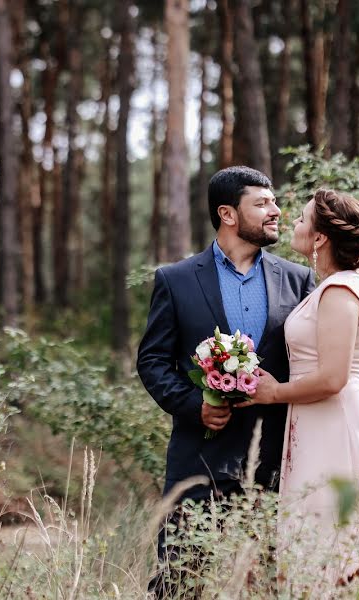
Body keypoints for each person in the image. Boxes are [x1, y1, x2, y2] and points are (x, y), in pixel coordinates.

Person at [137, 166, 315, 597]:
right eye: (262, 203)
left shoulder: (299, 279)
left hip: (276, 457)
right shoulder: (176, 279)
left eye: (273, 202)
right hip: (199, 457)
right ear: (228, 214)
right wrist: (195, 403)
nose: (275, 211)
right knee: (179, 580)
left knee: (273, 581)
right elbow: (153, 360)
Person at [236, 188, 359, 593]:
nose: (294, 223)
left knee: (335, 547)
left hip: (337, 431)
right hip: (316, 427)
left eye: (303, 219)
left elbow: (333, 378)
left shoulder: (340, 291)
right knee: (313, 545)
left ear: (320, 237)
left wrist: (274, 392)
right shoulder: (330, 286)